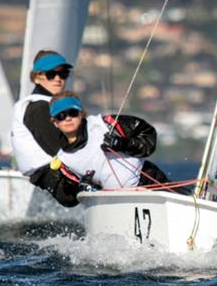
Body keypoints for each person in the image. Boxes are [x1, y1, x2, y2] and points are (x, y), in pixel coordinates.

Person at [38, 92, 167, 207]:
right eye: (61, 115)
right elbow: (67, 200)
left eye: (72, 112)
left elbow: (149, 136)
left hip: (149, 182)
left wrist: (122, 144)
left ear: (81, 113)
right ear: (54, 122)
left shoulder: (106, 125)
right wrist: (80, 188)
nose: (67, 118)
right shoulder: (64, 161)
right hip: (115, 205)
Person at [11, 50, 74, 193]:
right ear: (37, 77)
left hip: (53, 177)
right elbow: (60, 149)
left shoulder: (50, 104)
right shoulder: (38, 107)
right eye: (51, 74)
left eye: (63, 74)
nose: (58, 79)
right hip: (55, 180)